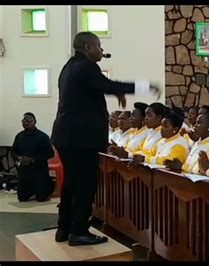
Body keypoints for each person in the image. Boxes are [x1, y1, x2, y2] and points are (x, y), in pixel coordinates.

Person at [51, 31, 159, 246]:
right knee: (86, 184)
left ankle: (64, 228)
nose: (102, 50)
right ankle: (79, 231)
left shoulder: (69, 67)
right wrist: (145, 87)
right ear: (87, 47)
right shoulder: (87, 67)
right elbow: (109, 86)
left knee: (71, 183)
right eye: (99, 46)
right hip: (82, 139)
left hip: (65, 135)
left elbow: (89, 92)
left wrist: (107, 91)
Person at [12, 113, 55, 202]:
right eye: (24, 121)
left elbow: (50, 153)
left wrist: (33, 159)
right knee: (22, 198)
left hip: (38, 170)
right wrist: (19, 158)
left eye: (28, 121)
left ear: (34, 122)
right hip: (25, 170)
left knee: (41, 198)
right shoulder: (19, 136)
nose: (26, 123)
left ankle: (46, 188)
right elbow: (13, 152)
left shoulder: (42, 137)